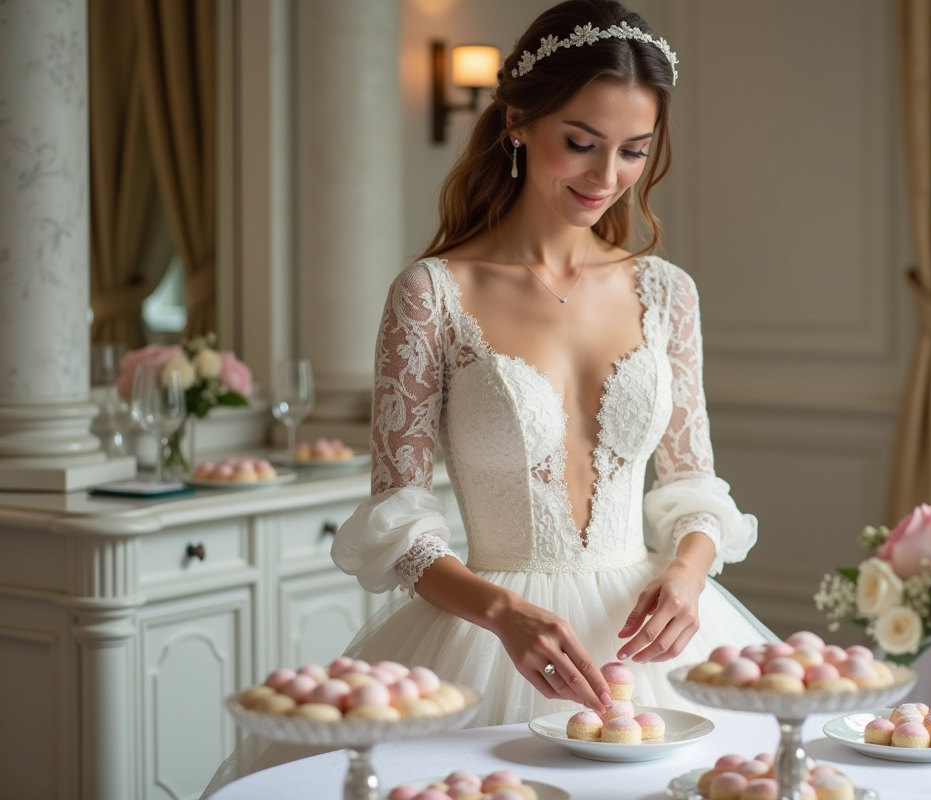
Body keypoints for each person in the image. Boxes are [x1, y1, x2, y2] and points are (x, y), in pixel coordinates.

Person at [203, 1, 771, 793]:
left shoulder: (667, 293)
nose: (606, 178)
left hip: (650, 642)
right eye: (580, 143)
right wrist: (503, 613)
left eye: (634, 152)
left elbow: (692, 484)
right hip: (488, 637)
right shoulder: (432, 294)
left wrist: (689, 572)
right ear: (516, 123)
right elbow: (399, 525)